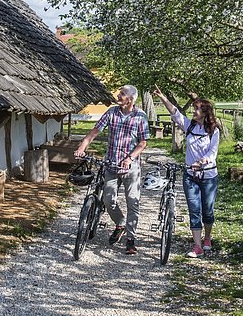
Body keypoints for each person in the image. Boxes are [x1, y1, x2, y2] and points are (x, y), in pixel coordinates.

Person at [74, 84, 149, 255]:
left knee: (133, 202)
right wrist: (82, 147)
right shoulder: (112, 112)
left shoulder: (140, 116)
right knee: (108, 200)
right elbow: (94, 132)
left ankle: (130, 240)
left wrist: (129, 158)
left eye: (122, 94)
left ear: (130, 99)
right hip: (111, 165)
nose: (118, 95)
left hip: (131, 168)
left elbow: (143, 143)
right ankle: (120, 223)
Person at [153, 85, 219, 258]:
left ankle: (208, 237)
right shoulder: (189, 126)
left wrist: (202, 161)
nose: (194, 111)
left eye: (197, 109)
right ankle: (197, 246)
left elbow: (212, 153)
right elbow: (175, 113)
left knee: (208, 210)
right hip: (190, 175)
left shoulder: (213, 131)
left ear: (205, 113)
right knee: (194, 210)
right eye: (194, 108)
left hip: (209, 176)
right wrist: (162, 98)